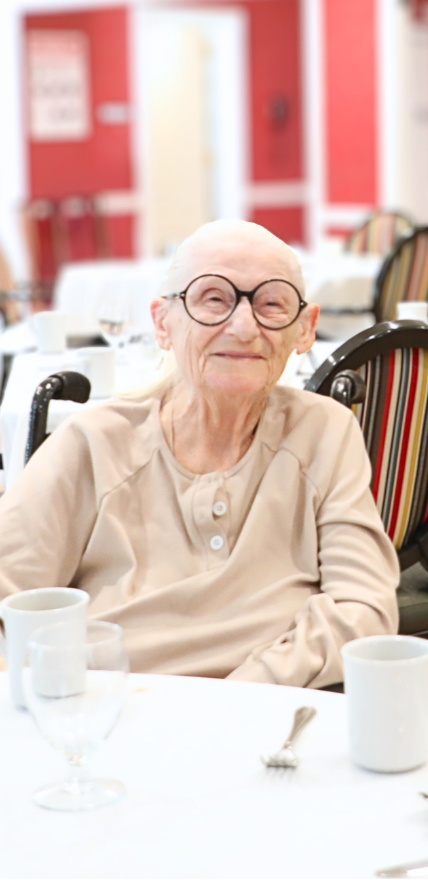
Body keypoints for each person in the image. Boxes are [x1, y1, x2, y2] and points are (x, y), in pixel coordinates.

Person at [0, 220, 399, 686]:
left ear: (305, 329)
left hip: (268, 718)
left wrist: (247, 692)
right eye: (213, 299)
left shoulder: (326, 432)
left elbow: (365, 611)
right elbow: (10, 598)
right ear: (163, 323)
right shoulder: (93, 443)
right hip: (116, 716)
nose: (245, 326)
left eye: (272, 303)